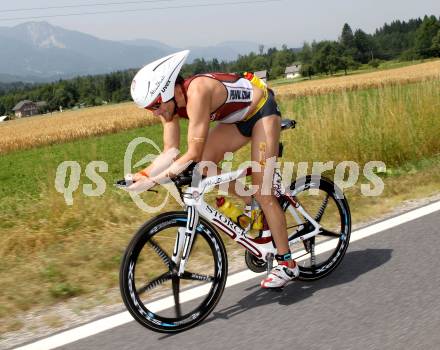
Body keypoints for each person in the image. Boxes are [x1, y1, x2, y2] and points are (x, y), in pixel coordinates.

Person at [129, 50, 298, 288]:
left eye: (155, 105)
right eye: (150, 109)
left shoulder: (197, 92)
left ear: (169, 90)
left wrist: (156, 181)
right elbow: (170, 151)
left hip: (261, 111)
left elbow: (192, 152)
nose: (155, 112)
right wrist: (144, 174)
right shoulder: (168, 105)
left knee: (264, 191)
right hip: (236, 121)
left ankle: (287, 263)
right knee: (204, 167)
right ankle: (250, 199)